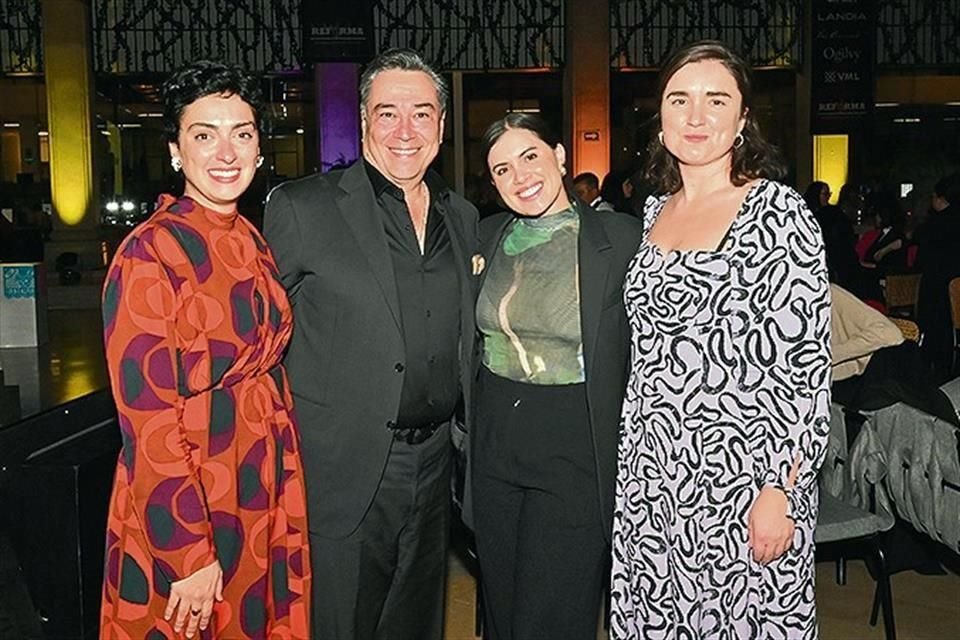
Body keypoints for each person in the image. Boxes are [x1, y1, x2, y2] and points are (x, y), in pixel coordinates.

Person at [610, 41, 831, 639]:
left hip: (741, 479)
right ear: (660, 115)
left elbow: (805, 366)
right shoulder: (655, 210)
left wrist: (781, 489)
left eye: (716, 100)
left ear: (742, 119)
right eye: (679, 99)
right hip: (652, 476)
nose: (696, 116)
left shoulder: (776, 211)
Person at [263, 49, 479, 640]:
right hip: (345, 469)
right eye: (387, 114)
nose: (405, 131)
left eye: (421, 114)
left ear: (441, 125)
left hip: (436, 465)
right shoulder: (303, 208)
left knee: (416, 624)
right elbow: (253, 342)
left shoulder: (461, 217)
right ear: (362, 124)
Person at [99, 61, 311, 639]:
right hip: (191, 491)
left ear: (260, 149)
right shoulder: (150, 253)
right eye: (203, 134)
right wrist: (187, 551)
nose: (226, 152)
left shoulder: (249, 236)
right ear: (175, 150)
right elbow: (146, 416)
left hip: (256, 480)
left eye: (241, 133)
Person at [472, 113, 642, 640]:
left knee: (552, 615)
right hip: (495, 440)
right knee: (501, 603)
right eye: (502, 170)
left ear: (561, 156)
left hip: (574, 444)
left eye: (530, 157)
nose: (519, 177)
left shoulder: (621, 237)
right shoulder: (487, 234)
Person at [915, 172, 960, 379]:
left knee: (935, 323)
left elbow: (922, 256)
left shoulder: (934, 225)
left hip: (936, 280)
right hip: (954, 278)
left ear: (940, 198)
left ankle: (933, 363)